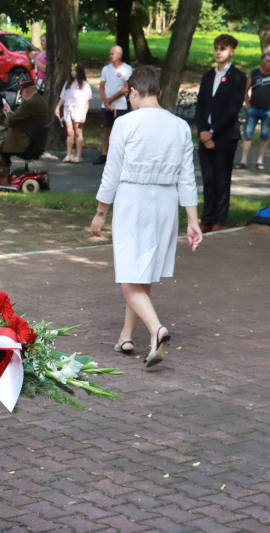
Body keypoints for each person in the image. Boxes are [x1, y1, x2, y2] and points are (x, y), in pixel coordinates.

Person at [90, 66, 203, 369]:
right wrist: (192, 220)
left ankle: (156, 330)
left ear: (134, 92)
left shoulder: (125, 124)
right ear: (160, 92)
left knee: (129, 274)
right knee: (144, 271)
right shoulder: (180, 126)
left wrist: (101, 212)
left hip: (133, 200)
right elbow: (187, 178)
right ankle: (126, 335)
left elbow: (111, 173)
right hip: (165, 203)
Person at [195, 34, 246, 232]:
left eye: (223, 49)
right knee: (208, 177)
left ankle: (219, 219)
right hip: (205, 135)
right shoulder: (208, 76)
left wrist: (213, 133)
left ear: (231, 51)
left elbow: (232, 109)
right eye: (216, 48)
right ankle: (207, 218)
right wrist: (203, 131)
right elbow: (200, 106)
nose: (218, 52)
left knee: (221, 177)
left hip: (224, 136)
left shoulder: (237, 77)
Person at [0, 80, 49, 181]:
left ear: (25, 91)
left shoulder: (30, 103)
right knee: (1, 145)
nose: (21, 95)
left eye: (21, 92)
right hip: (32, 140)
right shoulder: (40, 100)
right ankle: (3, 174)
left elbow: (10, 121)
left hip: (25, 142)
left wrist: (8, 113)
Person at [237, 53, 270, 171]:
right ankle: (243, 160)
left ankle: (260, 161)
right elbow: (245, 89)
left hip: (268, 110)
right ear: (262, 62)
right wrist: (248, 104)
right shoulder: (254, 74)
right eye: (268, 61)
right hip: (254, 108)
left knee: (265, 135)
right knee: (248, 134)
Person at [94, 46, 132, 165]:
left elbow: (125, 89)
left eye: (113, 54)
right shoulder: (106, 69)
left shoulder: (127, 69)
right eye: (110, 53)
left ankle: (119, 155)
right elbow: (101, 86)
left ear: (119, 55)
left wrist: (111, 99)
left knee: (120, 130)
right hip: (106, 105)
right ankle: (104, 154)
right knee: (106, 128)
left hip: (120, 105)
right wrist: (105, 101)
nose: (110, 56)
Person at [54, 64, 92, 163]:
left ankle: (78, 155)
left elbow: (87, 101)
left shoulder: (85, 84)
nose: (73, 72)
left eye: (75, 70)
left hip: (79, 109)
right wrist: (58, 107)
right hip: (68, 109)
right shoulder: (68, 84)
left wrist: (84, 114)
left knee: (78, 132)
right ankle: (68, 154)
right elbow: (63, 97)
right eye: (71, 70)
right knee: (69, 132)